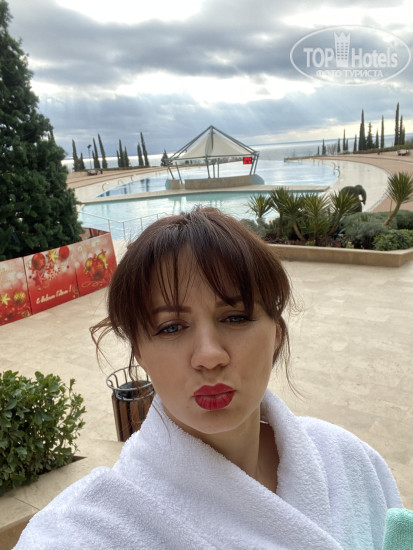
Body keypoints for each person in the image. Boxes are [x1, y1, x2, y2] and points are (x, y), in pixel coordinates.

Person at [14, 207, 402, 550]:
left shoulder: (349, 460)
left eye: (235, 317)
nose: (209, 356)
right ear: (139, 353)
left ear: (276, 334)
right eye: (171, 327)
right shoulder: (84, 529)